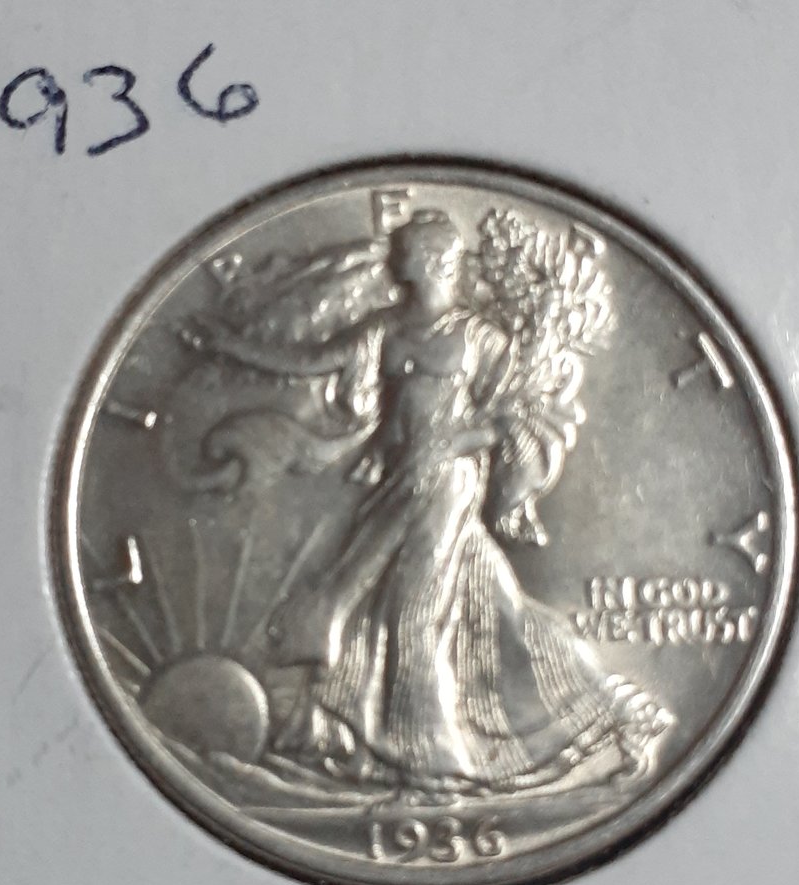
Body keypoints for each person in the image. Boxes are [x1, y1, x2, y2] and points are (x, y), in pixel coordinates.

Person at [188, 210, 669, 796]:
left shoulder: (478, 338)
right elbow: (310, 362)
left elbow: (511, 417)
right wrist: (229, 346)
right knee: (482, 608)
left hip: (446, 486)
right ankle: (603, 718)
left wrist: (452, 443)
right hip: (397, 483)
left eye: (408, 250)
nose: (395, 259)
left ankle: (433, 759)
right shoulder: (385, 329)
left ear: (438, 261)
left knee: (414, 615)